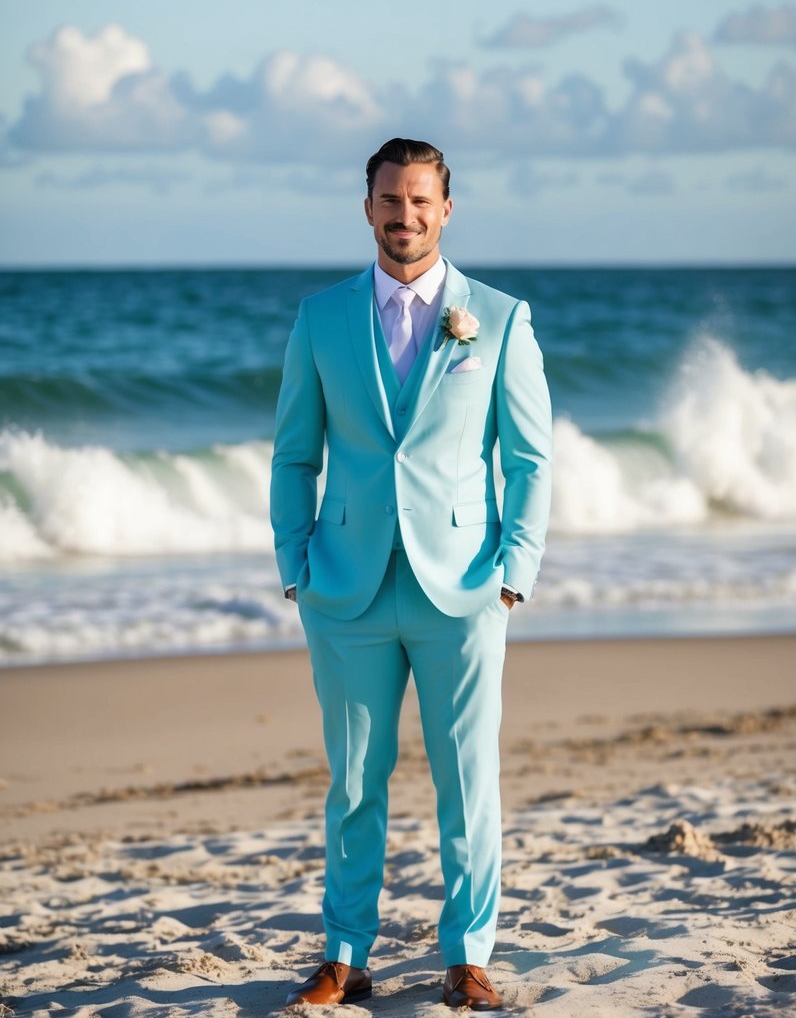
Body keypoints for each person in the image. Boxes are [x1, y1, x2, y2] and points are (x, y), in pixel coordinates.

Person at [270, 137, 552, 1010]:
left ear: (446, 209)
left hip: (464, 586)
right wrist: (295, 566)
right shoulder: (320, 318)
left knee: (469, 779)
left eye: (421, 201)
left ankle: (467, 956)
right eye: (390, 200)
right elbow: (292, 456)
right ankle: (346, 955)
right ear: (367, 208)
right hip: (346, 587)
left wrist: (514, 570)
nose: (405, 217)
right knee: (353, 779)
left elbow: (530, 458)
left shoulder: (498, 319)